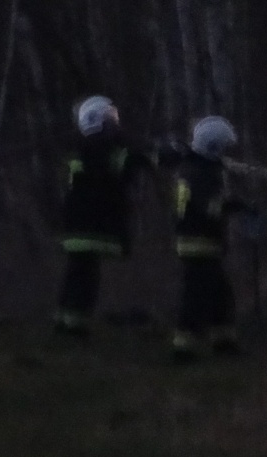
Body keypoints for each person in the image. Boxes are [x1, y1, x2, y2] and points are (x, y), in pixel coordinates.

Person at [54, 95, 155, 337]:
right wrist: (151, 154)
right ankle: (75, 326)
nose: (115, 126)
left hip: (75, 225)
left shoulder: (80, 150)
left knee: (75, 273)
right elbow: (124, 168)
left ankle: (64, 320)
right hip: (92, 225)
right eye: (110, 121)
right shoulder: (103, 152)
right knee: (85, 278)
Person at [170, 115, 254, 361]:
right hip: (199, 243)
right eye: (224, 148)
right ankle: (183, 349)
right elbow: (211, 208)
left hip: (199, 243)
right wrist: (240, 205)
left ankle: (224, 343)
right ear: (213, 147)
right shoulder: (200, 173)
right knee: (196, 297)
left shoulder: (193, 168)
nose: (226, 153)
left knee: (220, 294)